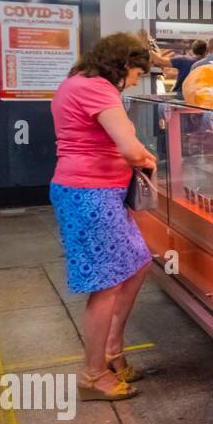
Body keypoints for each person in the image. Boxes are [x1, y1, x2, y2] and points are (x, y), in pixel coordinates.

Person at [50, 33, 158, 402]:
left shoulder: (76, 82)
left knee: (138, 262)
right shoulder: (98, 88)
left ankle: (112, 349)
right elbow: (128, 148)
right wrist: (147, 159)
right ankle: (93, 374)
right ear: (123, 64)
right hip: (90, 194)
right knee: (107, 284)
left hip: (94, 191)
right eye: (136, 73)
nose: (135, 81)